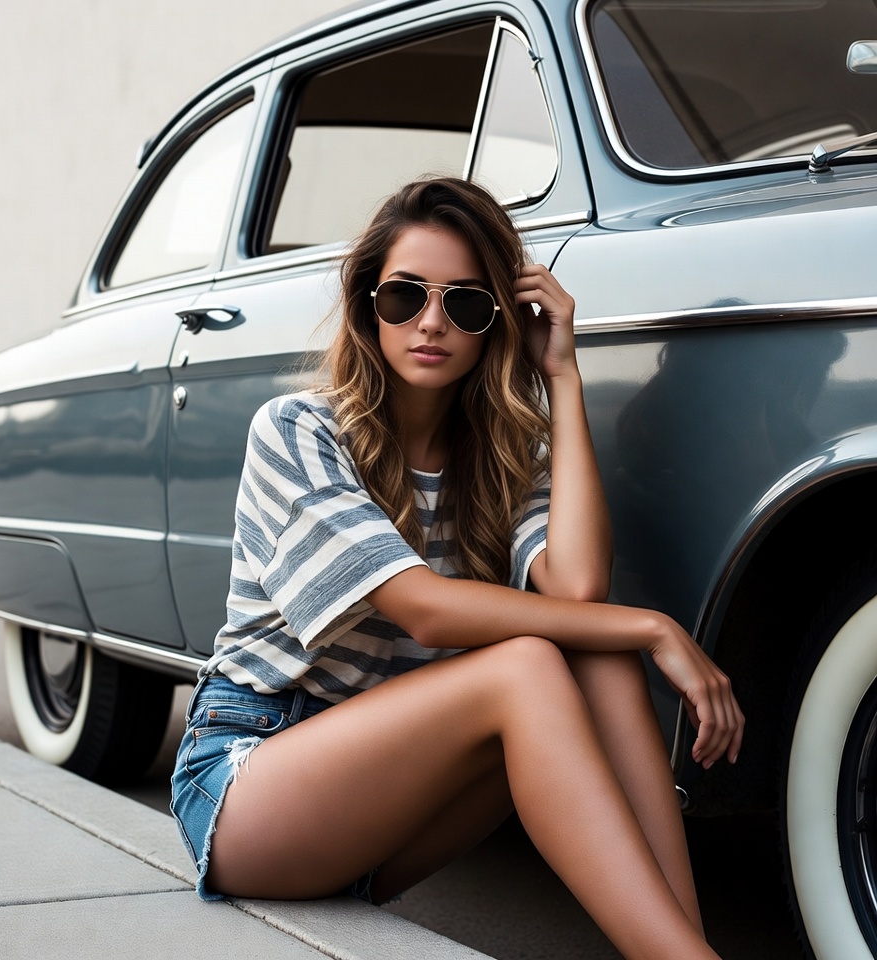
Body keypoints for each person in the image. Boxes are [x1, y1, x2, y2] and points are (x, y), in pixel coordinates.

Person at [170, 177, 744, 960]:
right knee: (531, 666)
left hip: (384, 809)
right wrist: (656, 627)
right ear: (369, 303)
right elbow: (426, 611)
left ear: (497, 325)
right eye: (406, 296)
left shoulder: (504, 457)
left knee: (595, 656)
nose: (432, 321)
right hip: (250, 782)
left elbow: (576, 590)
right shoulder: (300, 431)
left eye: (467, 304)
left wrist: (563, 377)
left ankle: (684, 946)